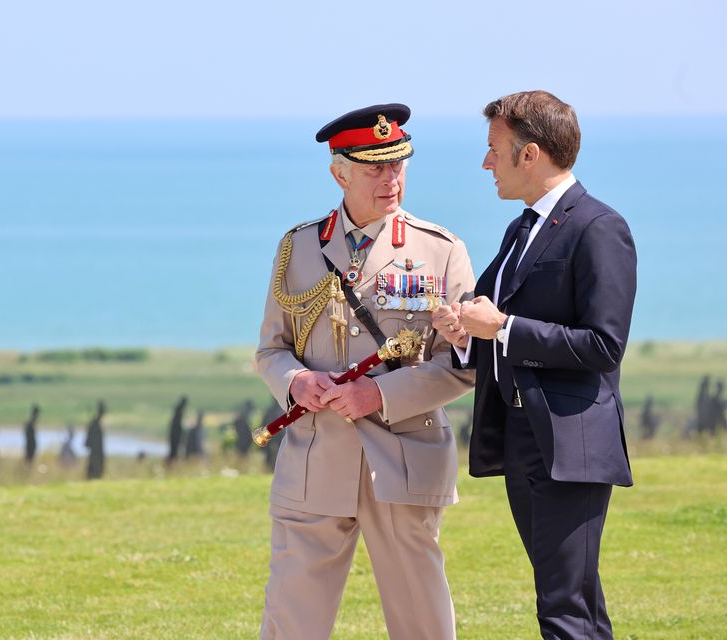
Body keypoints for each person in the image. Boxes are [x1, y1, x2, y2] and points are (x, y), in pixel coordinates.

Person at [256, 103, 476, 639]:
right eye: (375, 167)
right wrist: (296, 383)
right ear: (340, 172)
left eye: (398, 164)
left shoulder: (441, 250)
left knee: (422, 623)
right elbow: (272, 350)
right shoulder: (299, 247)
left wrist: (378, 397)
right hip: (313, 460)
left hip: (402, 461)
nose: (391, 178)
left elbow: (463, 365)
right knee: (292, 624)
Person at [433, 90, 637, 639]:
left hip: (572, 444)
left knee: (565, 608)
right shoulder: (521, 228)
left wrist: (501, 327)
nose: (485, 162)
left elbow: (603, 346)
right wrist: (464, 334)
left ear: (531, 154)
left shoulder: (598, 228)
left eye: (494, 149)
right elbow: (495, 329)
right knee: (572, 603)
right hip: (524, 436)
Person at [86, 400, 106, 480]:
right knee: (95, 472)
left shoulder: (94, 424)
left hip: (97, 453)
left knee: (96, 472)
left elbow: (87, 442)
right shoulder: (95, 425)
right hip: (95, 453)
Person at [166, 395, 187, 464]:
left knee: (174, 451)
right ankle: (171, 463)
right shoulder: (179, 409)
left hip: (175, 434)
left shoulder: (177, 409)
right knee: (173, 451)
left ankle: (171, 463)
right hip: (175, 435)